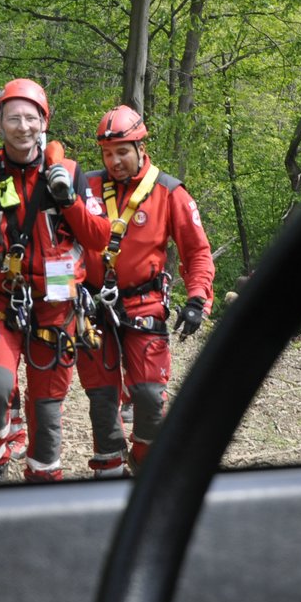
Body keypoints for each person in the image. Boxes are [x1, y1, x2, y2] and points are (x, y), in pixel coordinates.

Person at [0, 79, 110, 484]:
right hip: (0, 299)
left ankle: (43, 483)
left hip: (57, 303)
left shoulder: (68, 174)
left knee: (48, 407)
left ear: (44, 122)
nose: (22, 126)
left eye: (30, 117)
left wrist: (68, 201)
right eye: (13, 118)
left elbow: (99, 238)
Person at [80, 105, 214, 476]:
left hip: (145, 304)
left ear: (141, 147)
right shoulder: (86, 186)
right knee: (102, 398)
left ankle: (144, 462)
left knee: (150, 396)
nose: (114, 161)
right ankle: (107, 472)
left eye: (122, 151)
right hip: (93, 306)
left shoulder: (169, 192)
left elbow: (197, 252)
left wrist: (198, 299)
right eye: (108, 153)